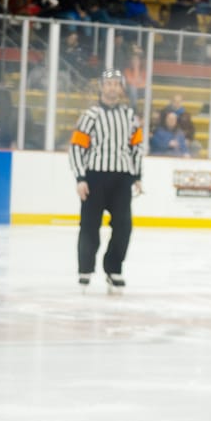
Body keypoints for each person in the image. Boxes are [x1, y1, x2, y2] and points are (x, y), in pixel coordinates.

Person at [69, 69, 143, 293]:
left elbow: (136, 147)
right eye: (109, 83)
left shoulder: (130, 116)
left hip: (121, 178)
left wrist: (137, 176)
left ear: (121, 89)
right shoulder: (90, 115)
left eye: (116, 84)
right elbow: (77, 147)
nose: (112, 87)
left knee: (124, 226)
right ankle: (85, 270)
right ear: (102, 87)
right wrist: (80, 178)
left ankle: (113, 268)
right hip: (95, 177)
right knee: (89, 226)